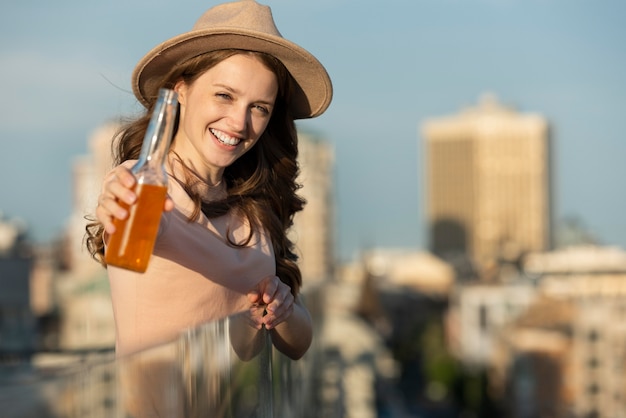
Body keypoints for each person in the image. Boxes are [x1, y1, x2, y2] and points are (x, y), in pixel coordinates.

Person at [85, 0, 332, 363]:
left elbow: (297, 344)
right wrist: (116, 206)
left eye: (259, 107)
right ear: (180, 90)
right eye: (224, 95)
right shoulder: (148, 186)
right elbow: (126, 224)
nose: (238, 122)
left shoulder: (253, 209)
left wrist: (283, 308)